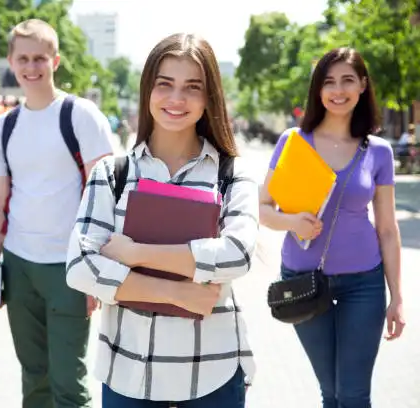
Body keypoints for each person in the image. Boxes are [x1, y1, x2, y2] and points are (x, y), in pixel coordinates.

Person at [66, 33, 258, 407]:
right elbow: (79, 267)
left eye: (192, 87)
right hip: (128, 368)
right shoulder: (112, 173)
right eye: (165, 84)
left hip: (212, 371)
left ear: (209, 98)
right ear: (147, 90)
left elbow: (237, 256)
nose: (176, 99)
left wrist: (133, 254)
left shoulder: (232, 174)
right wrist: (176, 291)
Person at [259, 47, 405, 408]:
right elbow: (263, 209)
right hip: (303, 281)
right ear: (318, 90)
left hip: (363, 285)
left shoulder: (379, 152)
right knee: (331, 392)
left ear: (362, 86)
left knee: (354, 394)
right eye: (329, 82)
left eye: (347, 80)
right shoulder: (293, 142)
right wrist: (291, 222)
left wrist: (397, 297)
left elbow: (387, 229)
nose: (338, 90)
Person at [0, 19, 114, 408]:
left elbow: (104, 197)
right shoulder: (3, 127)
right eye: (23, 58)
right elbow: (0, 201)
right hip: (20, 265)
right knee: (33, 379)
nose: (31, 66)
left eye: (40, 57)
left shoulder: (81, 116)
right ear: (11, 61)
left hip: (68, 269)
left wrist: (96, 272)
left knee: (68, 385)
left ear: (55, 60)